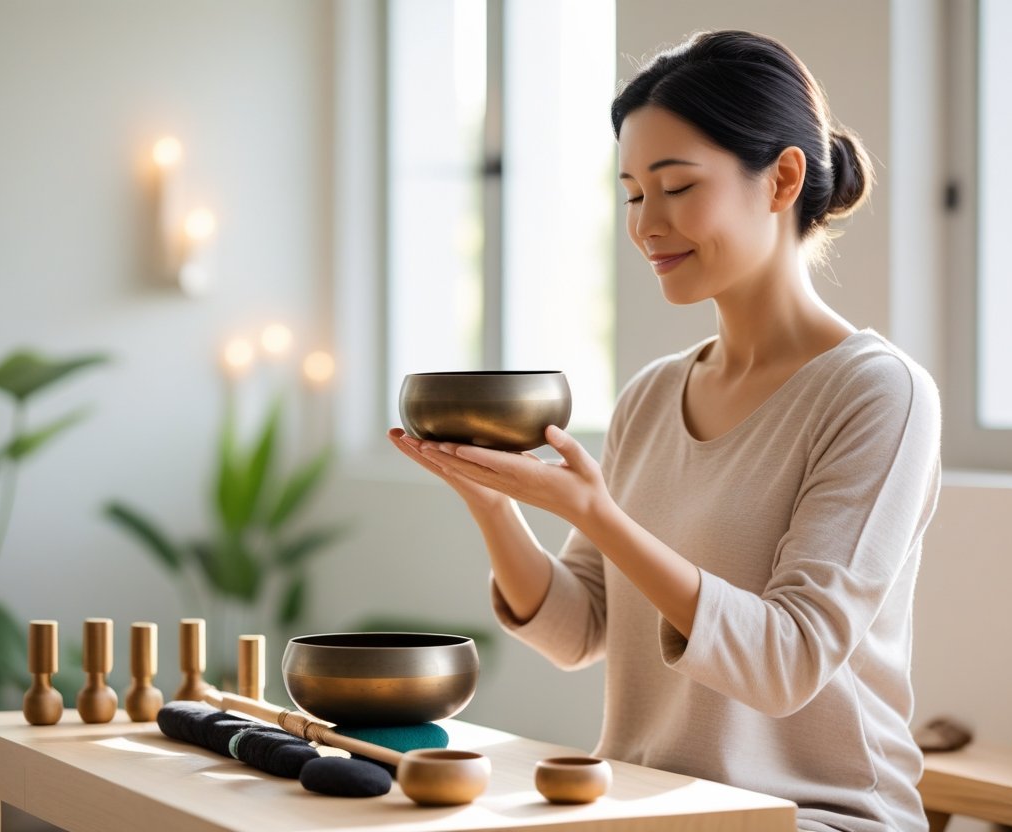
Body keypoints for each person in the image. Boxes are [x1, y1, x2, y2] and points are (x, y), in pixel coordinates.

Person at [389, 29, 941, 832]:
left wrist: (595, 514)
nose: (648, 225)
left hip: (817, 818)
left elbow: (788, 661)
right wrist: (492, 501)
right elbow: (581, 628)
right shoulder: (654, 394)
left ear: (783, 178)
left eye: (677, 186)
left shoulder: (877, 395)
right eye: (633, 194)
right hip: (649, 808)